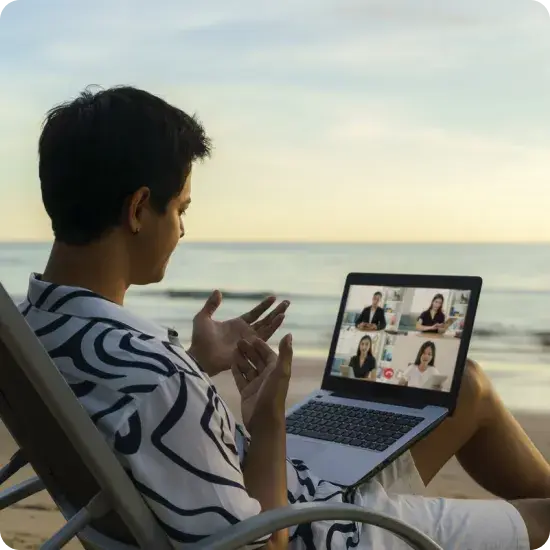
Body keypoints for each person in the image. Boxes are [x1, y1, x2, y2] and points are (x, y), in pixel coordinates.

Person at [19, 86, 550, 550]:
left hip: (286, 487)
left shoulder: (36, 329)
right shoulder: (157, 380)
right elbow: (262, 545)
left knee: (465, 386)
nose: (182, 229)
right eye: (180, 208)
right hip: (320, 528)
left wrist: (198, 365)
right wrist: (267, 422)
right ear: (138, 209)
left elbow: (139, 424)